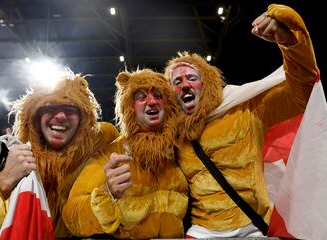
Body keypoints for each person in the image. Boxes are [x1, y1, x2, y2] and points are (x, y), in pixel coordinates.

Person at [164, 4, 318, 238]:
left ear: (207, 85)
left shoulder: (244, 109)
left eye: (192, 78)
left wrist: (290, 41)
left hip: (254, 229)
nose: (184, 84)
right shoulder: (172, 134)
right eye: (177, 82)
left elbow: (302, 94)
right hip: (202, 232)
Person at [0, 74, 119, 239]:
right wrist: (3, 184)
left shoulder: (100, 146)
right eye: (50, 107)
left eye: (70, 109)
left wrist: (107, 194)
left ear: (83, 118)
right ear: (34, 115)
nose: (61, 116)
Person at [62, 69, 189, 239]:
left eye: (158, 96)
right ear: (130, 106)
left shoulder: (181, 149)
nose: (151, 102)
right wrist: (107, 193)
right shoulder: (113, 155)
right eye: (141, 97)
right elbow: (71, 214)